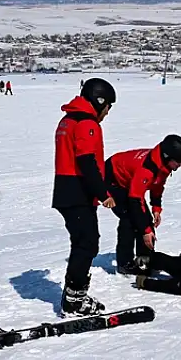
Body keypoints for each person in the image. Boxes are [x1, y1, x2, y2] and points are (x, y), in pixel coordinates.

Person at [52, 77, 117, 316]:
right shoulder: (86, 123)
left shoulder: (68, 120)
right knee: (87, 243)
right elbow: (86, 160)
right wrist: (103, 194)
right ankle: (74, 300)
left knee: (84, 242)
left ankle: (75, 295)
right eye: (107, 106)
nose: (107, 112)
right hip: (77, 189)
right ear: (98, 100)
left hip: (67, 187)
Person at [106, 134, 181, 274]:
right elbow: (134, 200)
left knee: (144, 221)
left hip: (129, 184)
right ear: (167, 156)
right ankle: (124, 263)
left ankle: (144, 259)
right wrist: (146, 230)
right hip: (112, 179)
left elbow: (157, 185)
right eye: (179, 161)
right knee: (129, 219)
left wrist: (156, 208)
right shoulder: (147, 169)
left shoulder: (163, 165)